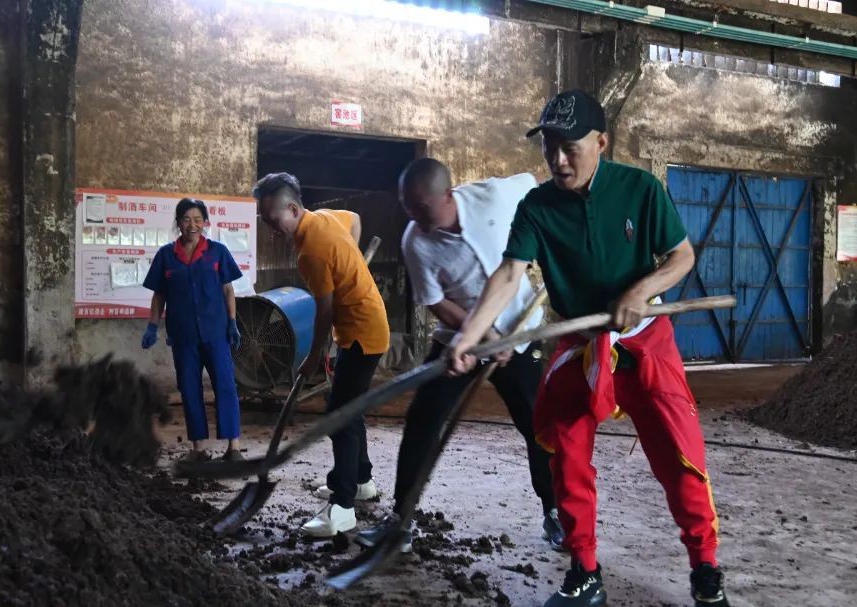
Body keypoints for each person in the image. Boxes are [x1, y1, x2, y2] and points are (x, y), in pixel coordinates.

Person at [447, 90, 730, 607]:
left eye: (569, 147)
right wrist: (469, 335)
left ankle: (705, 568)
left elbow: (681, 256)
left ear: (601, 142)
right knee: (563, 449)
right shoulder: (536, 205)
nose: (557, 159)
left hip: (644, 342)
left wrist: (640, 292)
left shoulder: (640, 189)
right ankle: (583, 569)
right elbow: (509, 273)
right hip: (578, 340)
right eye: (549, 146)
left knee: (679, 453)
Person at [353, 158, 564, 555]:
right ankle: (401, 519)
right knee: (422, 417)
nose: (412, 215)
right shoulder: (415, 240)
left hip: (520, 333)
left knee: (539, 425)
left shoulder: (496, 196)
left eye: (420, 206)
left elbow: (540, 183)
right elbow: (435, 301)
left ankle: (555, 511)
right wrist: (483, 335)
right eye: (406, 207)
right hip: (459, 336)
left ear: (448, 195)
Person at [253, 172, 390, 538]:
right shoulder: (326, 217)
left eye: (274, 219)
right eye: (265, 221)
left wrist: (312, 357)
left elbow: (325, 312)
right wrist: (350, 264)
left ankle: (342, 509)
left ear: (294, 208)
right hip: (366, 325)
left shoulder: (311, 252)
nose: (271, 229)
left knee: (339, 416)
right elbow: (356, 221)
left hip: (361, 331)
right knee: (347, 405)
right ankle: (361, 482)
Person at [141, 198, 244, 462]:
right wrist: (153, 325)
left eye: (198, 219)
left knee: (225, 386)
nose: (192, 225)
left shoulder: (218, 252)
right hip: (183, 336)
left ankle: (233, 447)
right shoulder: (166, 255)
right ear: (178, 223)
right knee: (189, 389)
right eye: (186, 219)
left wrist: (232, 322)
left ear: (205, 222)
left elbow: (228, 289)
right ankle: (198, 449)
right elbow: (159, 295)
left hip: (216, 334)